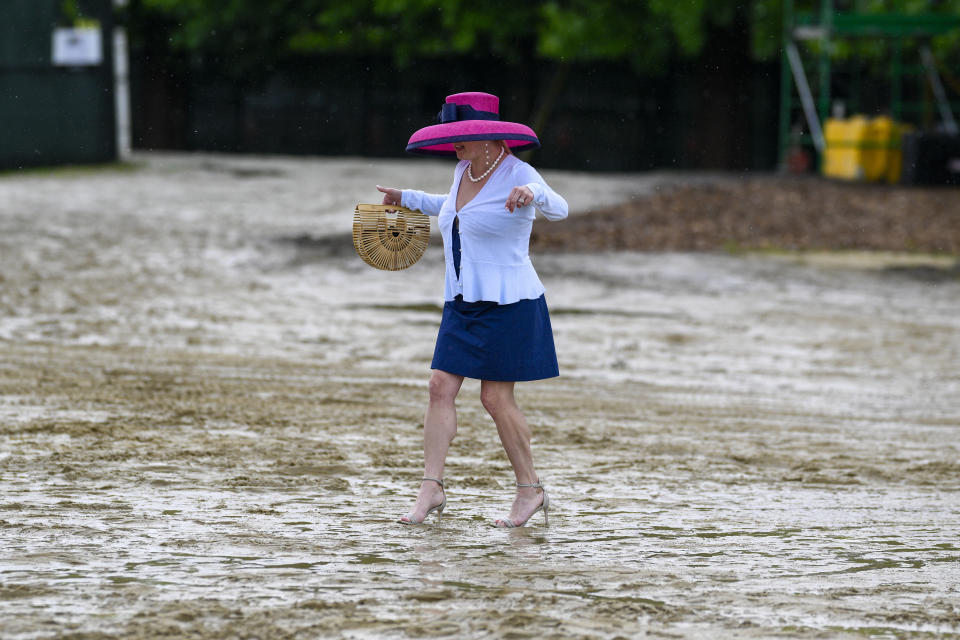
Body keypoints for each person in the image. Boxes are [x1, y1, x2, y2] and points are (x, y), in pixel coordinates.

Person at [376, 92, 568, 527]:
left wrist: (533, 193)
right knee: (439, 386)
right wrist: (406, 197)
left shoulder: (519, 171)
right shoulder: (464, 168)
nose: (454, 144)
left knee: (495, 398)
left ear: (488, 138)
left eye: (461, 137)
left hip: (510, 301)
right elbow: (454, 209)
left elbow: (561, 208)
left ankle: (530, 490)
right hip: (462, 299)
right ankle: (432, 487)